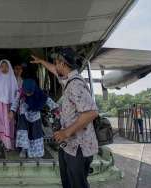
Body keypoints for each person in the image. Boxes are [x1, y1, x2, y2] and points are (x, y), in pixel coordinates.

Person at [31, 48, 98, 188]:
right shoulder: (67, 79)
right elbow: (54, 71)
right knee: (67, 182)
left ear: (63, 63)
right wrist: (41, 61)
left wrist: (65, 132)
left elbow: (91, 113)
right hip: (68, 145)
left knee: (77, 184)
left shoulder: (75, 84)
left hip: (79, 147)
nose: (55, 66)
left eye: (56, 63)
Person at [9, 79, 58, 158]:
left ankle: (34, 151)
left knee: (35, 134)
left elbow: (47, 99)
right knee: (24, 133)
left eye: (30, 92)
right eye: (26, 92)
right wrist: (12, 111)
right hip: (23, 116)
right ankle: (24, 150)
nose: (28, 94)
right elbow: (15, 101)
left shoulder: (39, 93)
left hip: (35, 117)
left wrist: (55, 108)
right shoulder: (20, 92)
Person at [0, 59, 18, 150]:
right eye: (2, 66)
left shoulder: (12, 78)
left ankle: (7, 144)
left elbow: (15, 93)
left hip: (8, 105)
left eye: (6, 66)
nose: (4, 68)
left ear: (9, 67)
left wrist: (13, 109)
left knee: (7, 122)